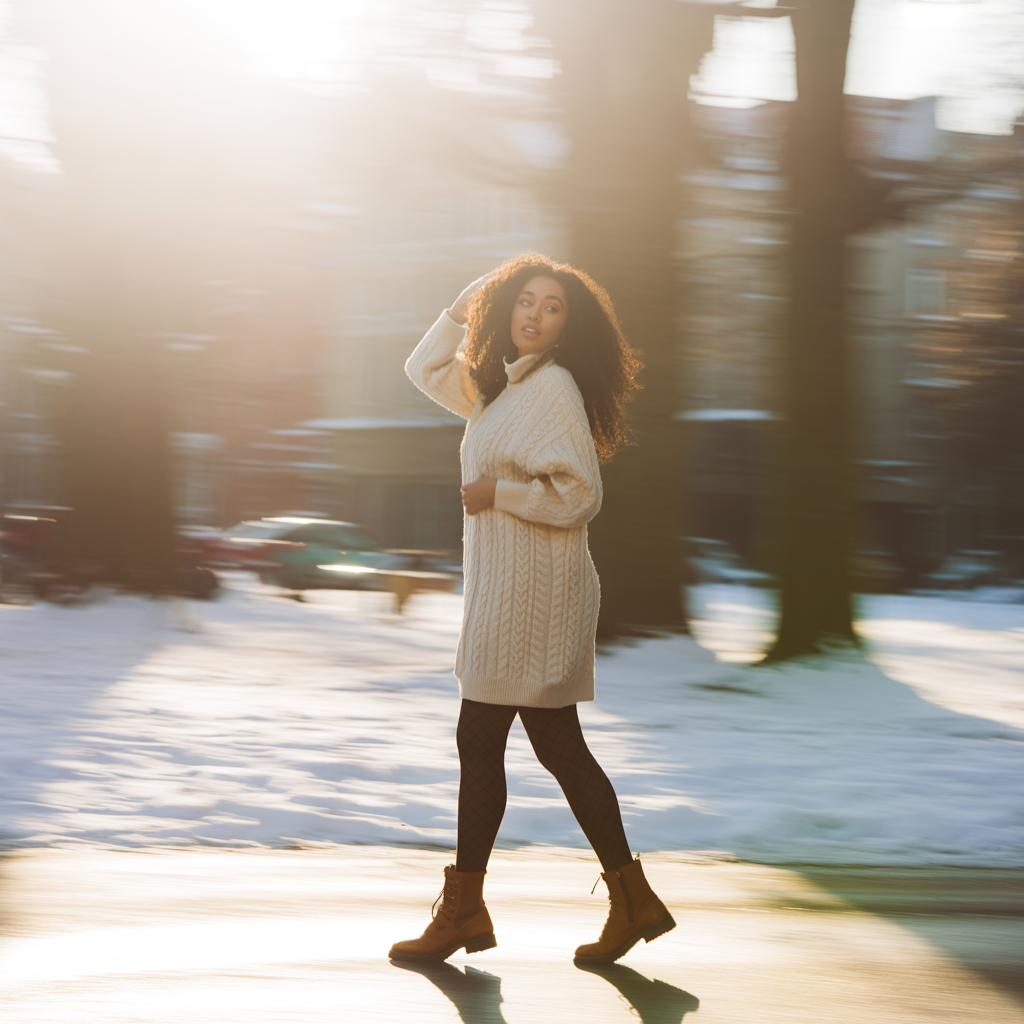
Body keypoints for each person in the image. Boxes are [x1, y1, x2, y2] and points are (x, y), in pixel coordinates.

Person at [389, 253, 675, 966]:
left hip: (537, 599)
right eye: (524, 300)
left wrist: (501, 495)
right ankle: (631, 899)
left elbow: (581, 496)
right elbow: (422, 372)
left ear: (565, 326)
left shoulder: (554, 390)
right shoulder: (497, 390)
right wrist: (458, 308)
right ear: (506, 308)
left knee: (486, 739)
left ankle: (464, 911)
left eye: (552, 307)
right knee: (552, 748)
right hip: (506, 596)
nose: (535, 315)